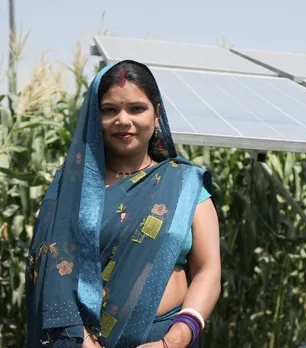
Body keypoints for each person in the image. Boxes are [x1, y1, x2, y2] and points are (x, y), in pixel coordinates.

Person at [25, 60, 221, 348]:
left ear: (157, 115)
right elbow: (51, 267)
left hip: (167, 339)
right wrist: (80, 338)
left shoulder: (185, 187)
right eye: (109, 110)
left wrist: (177, 339)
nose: (123, 120)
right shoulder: (70, 190)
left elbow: (208, 270)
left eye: (136, 108)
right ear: (95, 117)